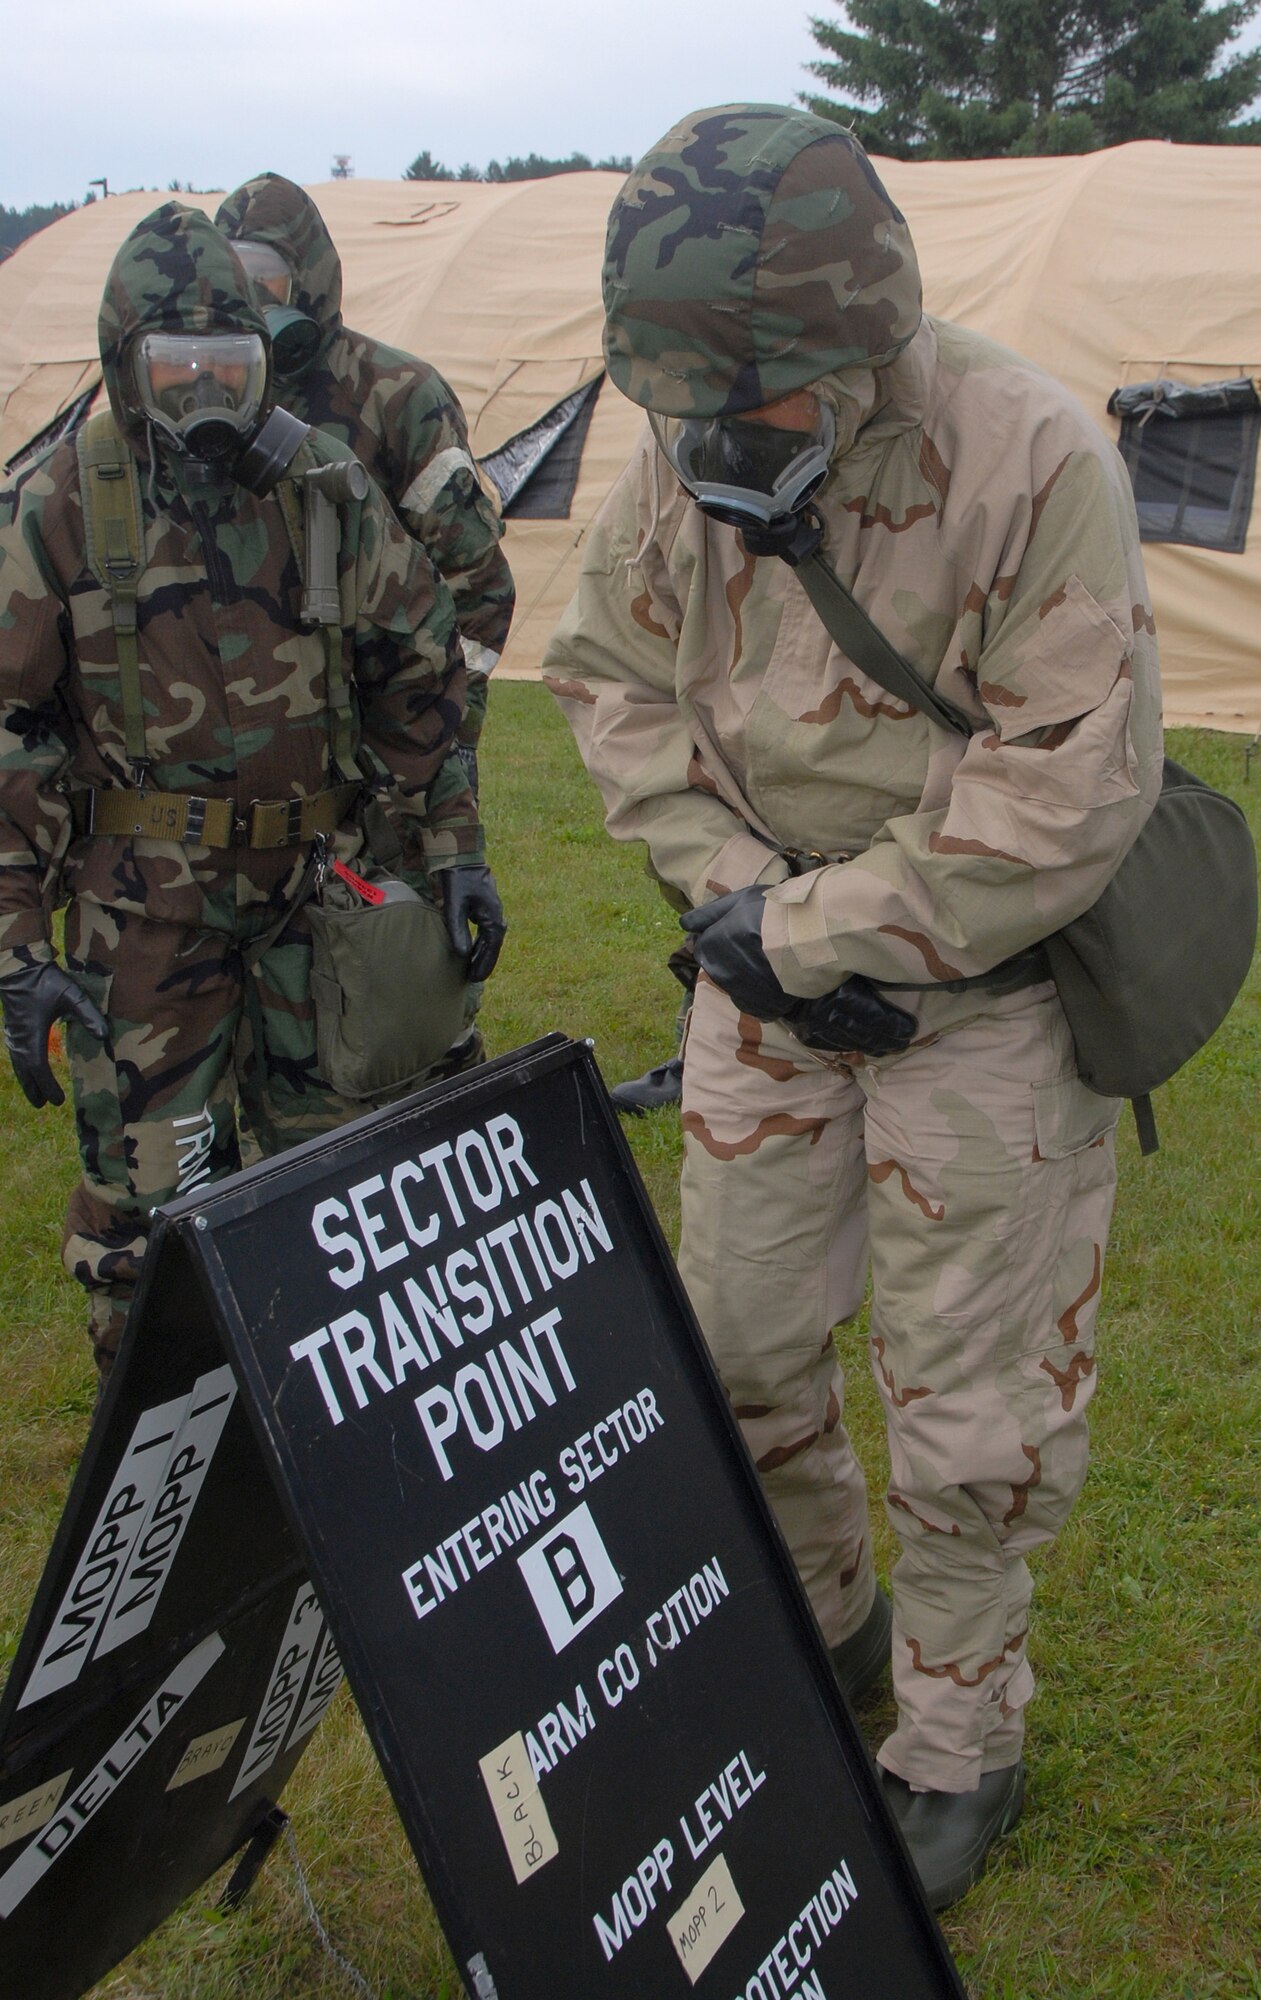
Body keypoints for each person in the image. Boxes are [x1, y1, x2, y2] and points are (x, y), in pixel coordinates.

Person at [546, 104, 1162, 1908]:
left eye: (762, 409)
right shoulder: (681, 451)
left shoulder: (1028, 458)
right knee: (737, 1355)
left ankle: (963, 1737)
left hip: (981, 1003)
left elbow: (1069, 785)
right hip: (764, 981)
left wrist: (829, 929)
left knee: (970, 1412)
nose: (720, 448)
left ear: (861, 344)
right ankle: (829, 1626)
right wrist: (739, 908)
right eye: (693, 409)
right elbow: (610, 685)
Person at [0, 203, 505, 1380]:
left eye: (225, 368)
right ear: (124, 366)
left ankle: (339, 1422)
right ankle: (171, 1436)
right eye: (171, 370)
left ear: (264, 357)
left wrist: (451, 844)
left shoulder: (322, 486)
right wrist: (18, 944)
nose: (202, 399)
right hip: (147, 920)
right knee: (153, 1206)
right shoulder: (64, 501)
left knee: (349, 1185)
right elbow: (10, 721)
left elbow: (416, 664)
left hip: (312, 899)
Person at [214, 173, 515, 799]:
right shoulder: (211, 397)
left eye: (266, 276)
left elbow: (478, 586)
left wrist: (444, 730)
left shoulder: (397, 395)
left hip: (393, 734)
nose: (251, 296)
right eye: (232, 277)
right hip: (257, 738)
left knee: (404, 898)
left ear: (309, 276)